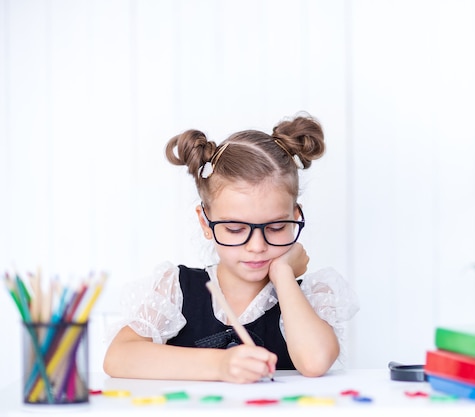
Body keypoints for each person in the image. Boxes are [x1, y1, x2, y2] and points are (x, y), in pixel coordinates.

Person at [103, 114, 359, 383]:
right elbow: (118, 357)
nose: (257, 247)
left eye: (275, 228)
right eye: (236, 230)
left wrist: (283, 274)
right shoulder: (177, 288)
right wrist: (221, 364)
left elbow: (315, 362)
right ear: (205, 222)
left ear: (295, 218)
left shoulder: (311, 295)